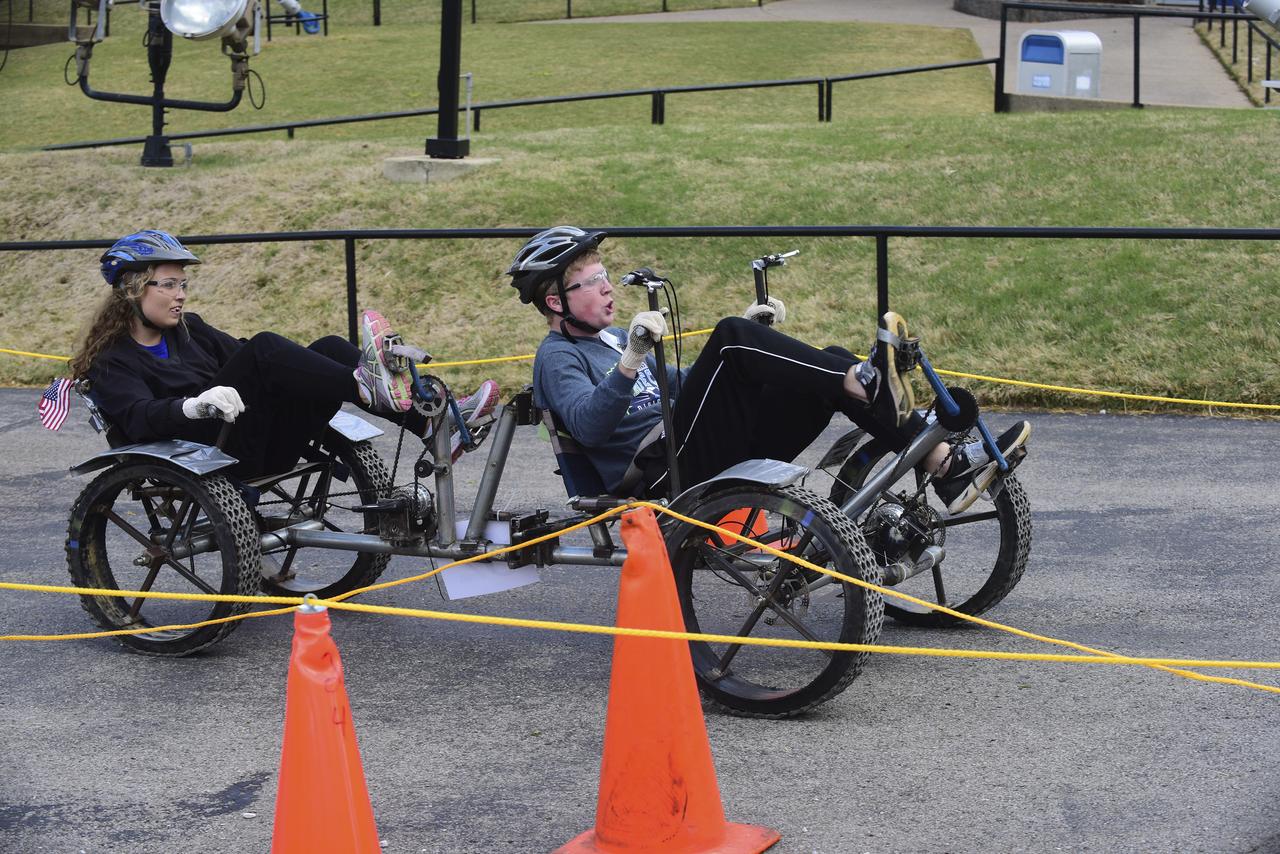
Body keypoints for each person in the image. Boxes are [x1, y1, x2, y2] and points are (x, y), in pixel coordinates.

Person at [508, 226, 1031, 515]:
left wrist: (758, 347)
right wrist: (630, 363)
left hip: (695, 444)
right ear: (555, 301)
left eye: (605, 277)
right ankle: (861, 378)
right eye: (591, 282)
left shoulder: (617, 337)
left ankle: (946, 467)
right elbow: (591, 426)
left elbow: (691, 388)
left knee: (806, 363)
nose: (606, 288)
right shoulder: (557, 358)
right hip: (661, 474)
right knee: (732, 336)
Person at [70, 230, 499, 479]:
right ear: (131, 288)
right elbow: (139, 417)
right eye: (168, 284)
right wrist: (194, 405)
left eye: (183, 284)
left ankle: (430, 421)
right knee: (265, 346)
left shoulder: (190, 329)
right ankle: (370, 385)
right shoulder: (111, 359)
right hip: (206, 456)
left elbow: (249, 362)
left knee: (328, 346)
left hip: (253, 435)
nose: (180, 295)